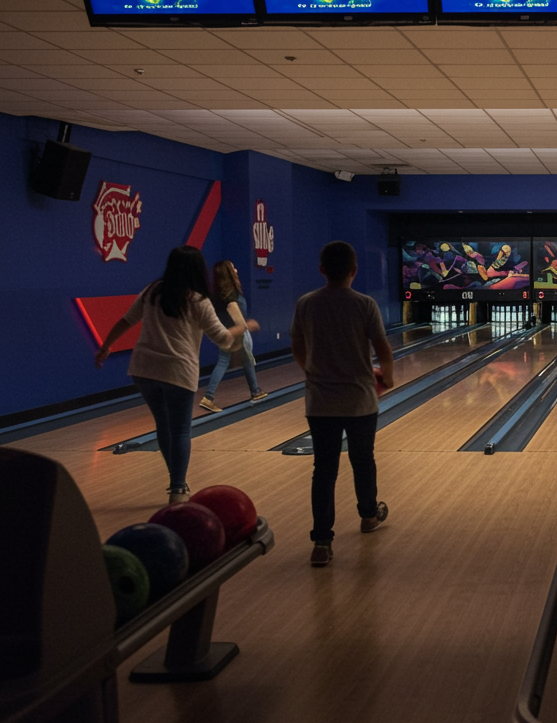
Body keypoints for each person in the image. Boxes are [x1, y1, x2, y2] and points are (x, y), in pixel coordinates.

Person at [94, 245, 255, 502]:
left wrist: (105, 346)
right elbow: (224, 339)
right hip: (178, 371)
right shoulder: (198, 300)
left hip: (144, 369)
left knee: (163, 426)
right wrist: (244, 327)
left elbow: (126, 320)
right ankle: (177, 488)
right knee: (180, 430)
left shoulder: (152, 292)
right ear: (197, 271)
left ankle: (177, 482)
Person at [291, 241, 395, 567]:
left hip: (320, 401)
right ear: (354, 270)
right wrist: (387, 377)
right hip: (360, 399)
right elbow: (383, 348)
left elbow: (297, 344)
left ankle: (322, 542)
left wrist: (310, 371)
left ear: (321, 269)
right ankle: (368, 515)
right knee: (363, 460)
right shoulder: (365, 304)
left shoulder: (306, 303)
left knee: (324, 470)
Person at [201, 260, 268, 412]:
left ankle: (255, 390)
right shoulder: (233, 297)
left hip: (224, 334)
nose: (236, 270)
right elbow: (240, 323)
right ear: (228, 274)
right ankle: (209, 396)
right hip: (235, 335)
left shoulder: (216, 296)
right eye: (233, 268)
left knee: (243, 360)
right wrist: (249, 325)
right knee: (231, 360)